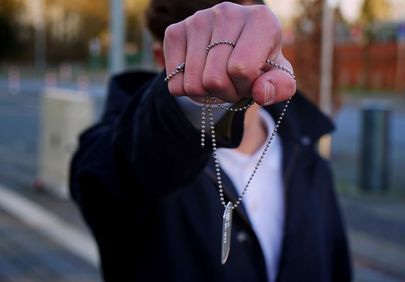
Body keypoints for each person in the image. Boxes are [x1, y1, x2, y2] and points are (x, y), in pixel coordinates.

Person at [70, 0, 351, 281]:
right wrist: (193, 98)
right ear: (163, 58)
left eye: (248, 35)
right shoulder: (124, 153)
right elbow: (108, 178)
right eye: (220, 44)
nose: (239, 56)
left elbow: (336, 265)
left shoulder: (303, 147)